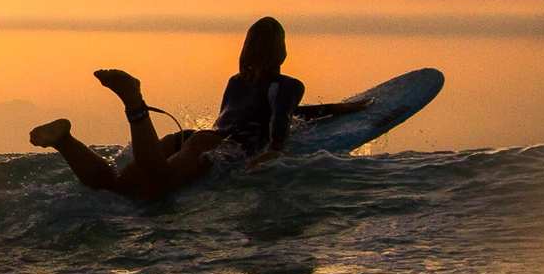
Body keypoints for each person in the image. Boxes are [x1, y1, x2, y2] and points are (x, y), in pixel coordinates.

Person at [29, 17, 372, 202]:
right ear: (281, 49)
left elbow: (279, 111)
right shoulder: (288, 86)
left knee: (117, 188)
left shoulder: (236, 81)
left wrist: (335, 108)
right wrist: (276, 152)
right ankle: (135, 105)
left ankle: (65, 141)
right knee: (159, 181)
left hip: (189, 137)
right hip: (218, 148)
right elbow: (280, 116)